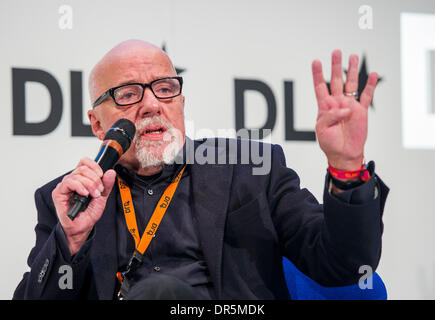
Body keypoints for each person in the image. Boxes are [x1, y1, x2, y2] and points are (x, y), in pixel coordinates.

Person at [13, 40, 389, 300]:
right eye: (127, 94)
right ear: (97, 125)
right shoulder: (68, 200)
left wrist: (346, 168)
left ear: (180, 101)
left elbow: (345, 265)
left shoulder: (252, 171)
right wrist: (71, 241)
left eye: (164, 88)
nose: (150, 105)